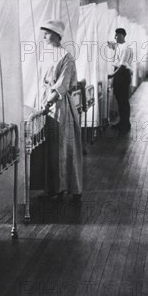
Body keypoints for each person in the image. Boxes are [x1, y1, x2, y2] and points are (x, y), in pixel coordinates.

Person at [40, 19, 83, 199]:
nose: (44, 36)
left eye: (47, 32)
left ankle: (69, 187)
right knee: (50, 148)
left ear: (57, 35)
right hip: (47, 103)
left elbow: (63, 84)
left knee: (65, 147)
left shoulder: (66, 56)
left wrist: (49, 102)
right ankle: (53, 187)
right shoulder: (46, 54)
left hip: (60, 105)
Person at [107, 28, 134, 134]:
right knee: (120, 99)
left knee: (123, 101)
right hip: (120, 74)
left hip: (122, 74)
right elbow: (113, 45)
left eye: (117, 35)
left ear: (122, 36)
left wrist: (112, 75)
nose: (115, 37)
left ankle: (125, 124)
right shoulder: (120, 46)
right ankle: (123, 122)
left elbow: (122, 65)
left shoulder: (125, 48)